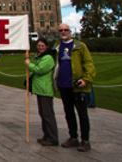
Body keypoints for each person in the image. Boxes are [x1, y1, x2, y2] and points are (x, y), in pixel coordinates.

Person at [54, 24, 96, 152]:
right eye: (61, 30)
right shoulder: (57, 46)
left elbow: (89, 64)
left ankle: (85, 140)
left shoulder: (80, 46)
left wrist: (86, 79)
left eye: (65, 30)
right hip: (63, 84)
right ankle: (73, 137)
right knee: (69, 113)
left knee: (82, 113)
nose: (63, 32)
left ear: (70, 32)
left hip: (77, 85)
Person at [25, 37, 58, 146]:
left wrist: (28, 64)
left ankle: (52, 138)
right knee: (43, 113)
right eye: (39, 46)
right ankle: (47, 136)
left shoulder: (48, 57)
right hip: (40, 89)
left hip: (45, 89)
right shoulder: (41, 56)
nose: (40, 47)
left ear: (47, 46)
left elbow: (39, 69)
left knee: (47, 114)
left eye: (42, 46)